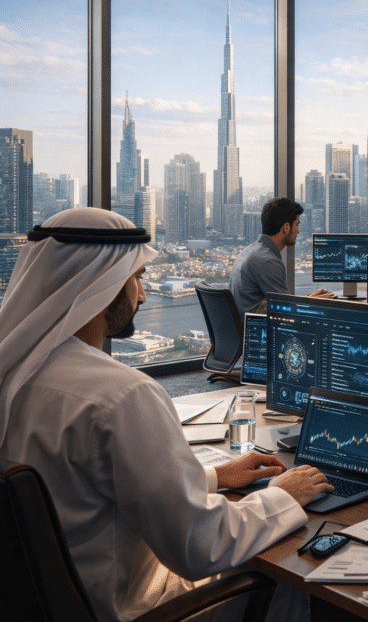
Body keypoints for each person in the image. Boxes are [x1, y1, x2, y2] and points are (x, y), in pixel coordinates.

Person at [0, 208, 334, 622]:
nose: (142, 295)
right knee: (287, 568)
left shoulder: (13, 375)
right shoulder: (121, 395)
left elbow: (86, 489)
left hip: (58, 600)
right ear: (100, 283)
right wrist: (284, 494)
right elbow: (202, 546)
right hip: (132, 606)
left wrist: (214, 477)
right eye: (136, 278)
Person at [229, 196, 333, 314]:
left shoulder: (249, 251)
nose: (298, 231)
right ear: (286, 227)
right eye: (297, 225)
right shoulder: (267, 262)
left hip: (245, 328)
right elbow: (287, 312)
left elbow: (284, 305)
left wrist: (308, 300)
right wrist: (313, 304)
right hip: (259, 329)